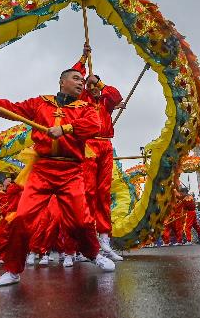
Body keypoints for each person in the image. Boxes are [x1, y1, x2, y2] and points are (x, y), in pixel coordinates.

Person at [0, 66, 115, 287]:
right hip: (42, 170)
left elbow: (94, 126)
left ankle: (94, 254)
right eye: (76, 78)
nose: (81, 82)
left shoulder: (86, 107)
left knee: (82, 220)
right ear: (62, 82)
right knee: (23, 218)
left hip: (71, 171)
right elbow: (11, 109)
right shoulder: (41, 103)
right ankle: (13, 270)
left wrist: (65, 129)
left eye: (82, 80)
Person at [73, 45, 125, 261]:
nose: (93, 88)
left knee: (104, 192)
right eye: (89, 86)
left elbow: (116, 95)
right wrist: (84, 58)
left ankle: (105, 239)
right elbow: (73, 74)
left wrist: (100, 83)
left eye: (95, 86)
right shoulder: (82, 99)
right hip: (88, 146)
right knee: (88, 192)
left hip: (106, 146)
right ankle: (86, 241)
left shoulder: (105, 100)